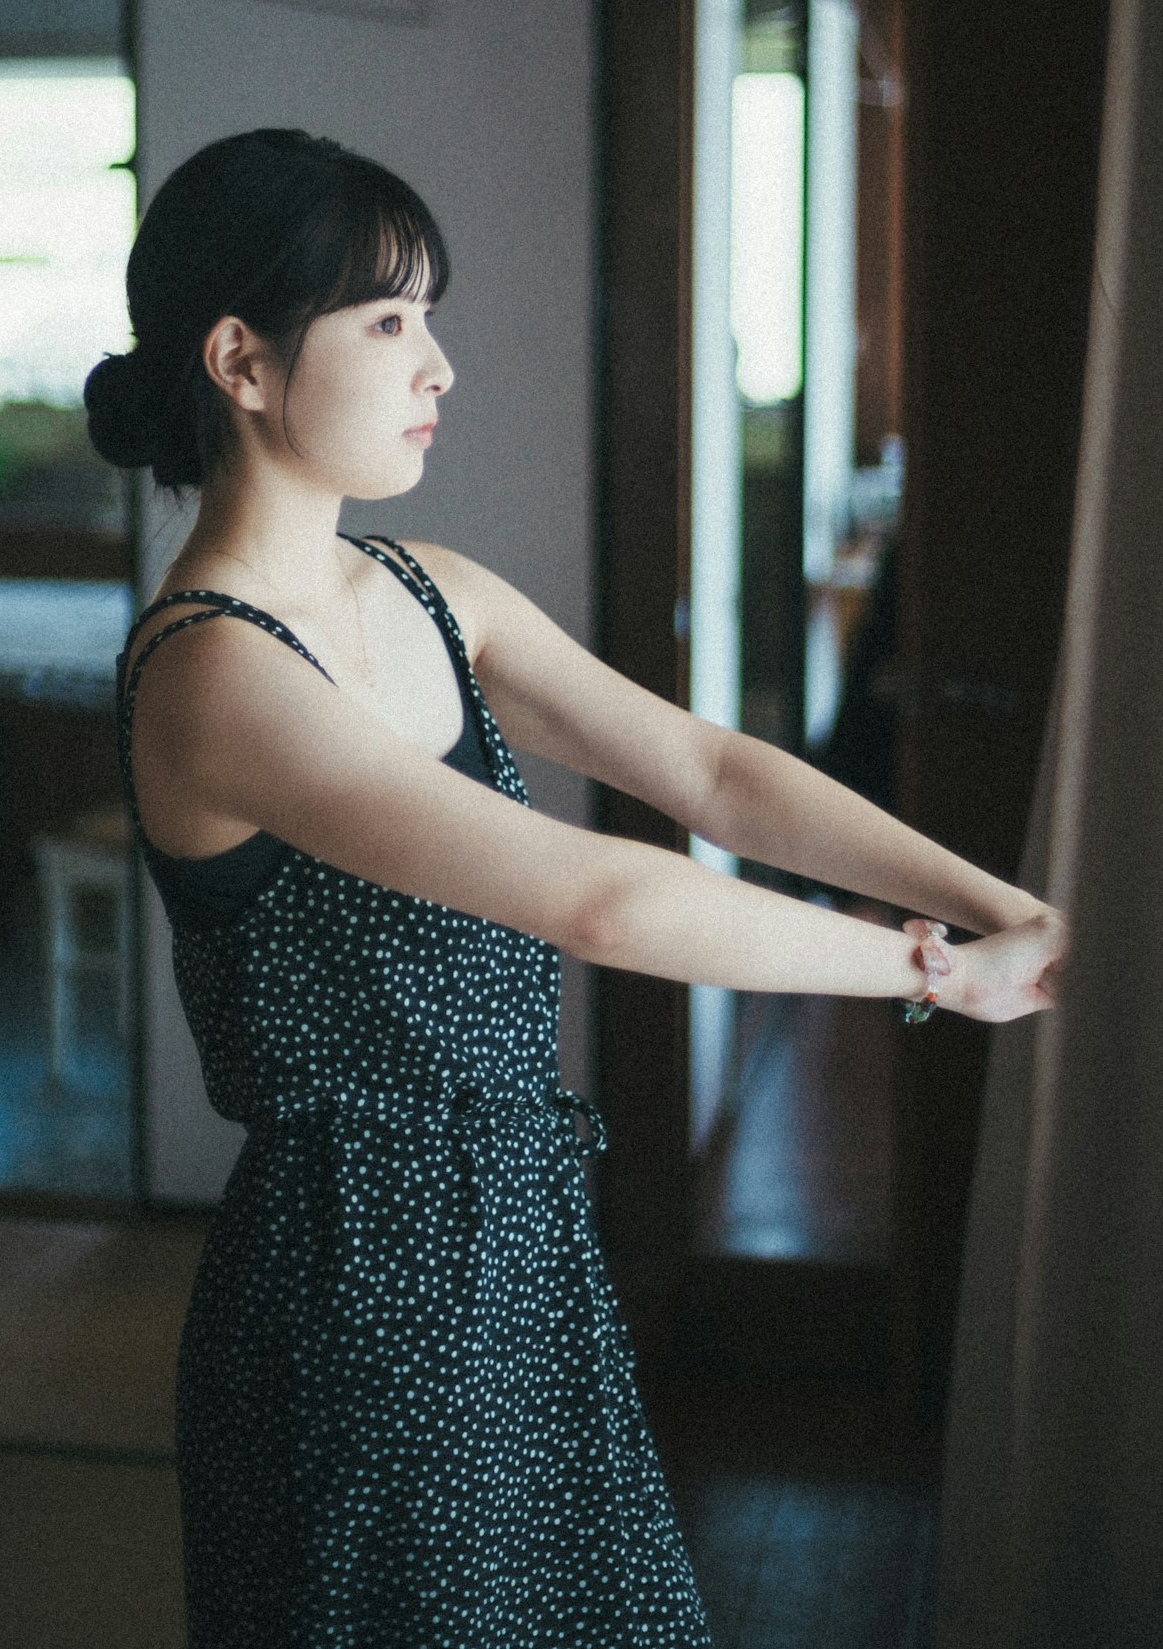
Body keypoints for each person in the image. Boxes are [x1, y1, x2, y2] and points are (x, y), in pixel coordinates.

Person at [85, 128, 1065, 1649]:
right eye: (391, 321)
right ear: (242, 362)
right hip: (355, 1293)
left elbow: (712, 775)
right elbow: (599, 900)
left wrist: (1000, 902)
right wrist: (937, 972)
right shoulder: (214, 673)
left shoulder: (430, 588)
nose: (440, 367)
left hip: (520, 1244)